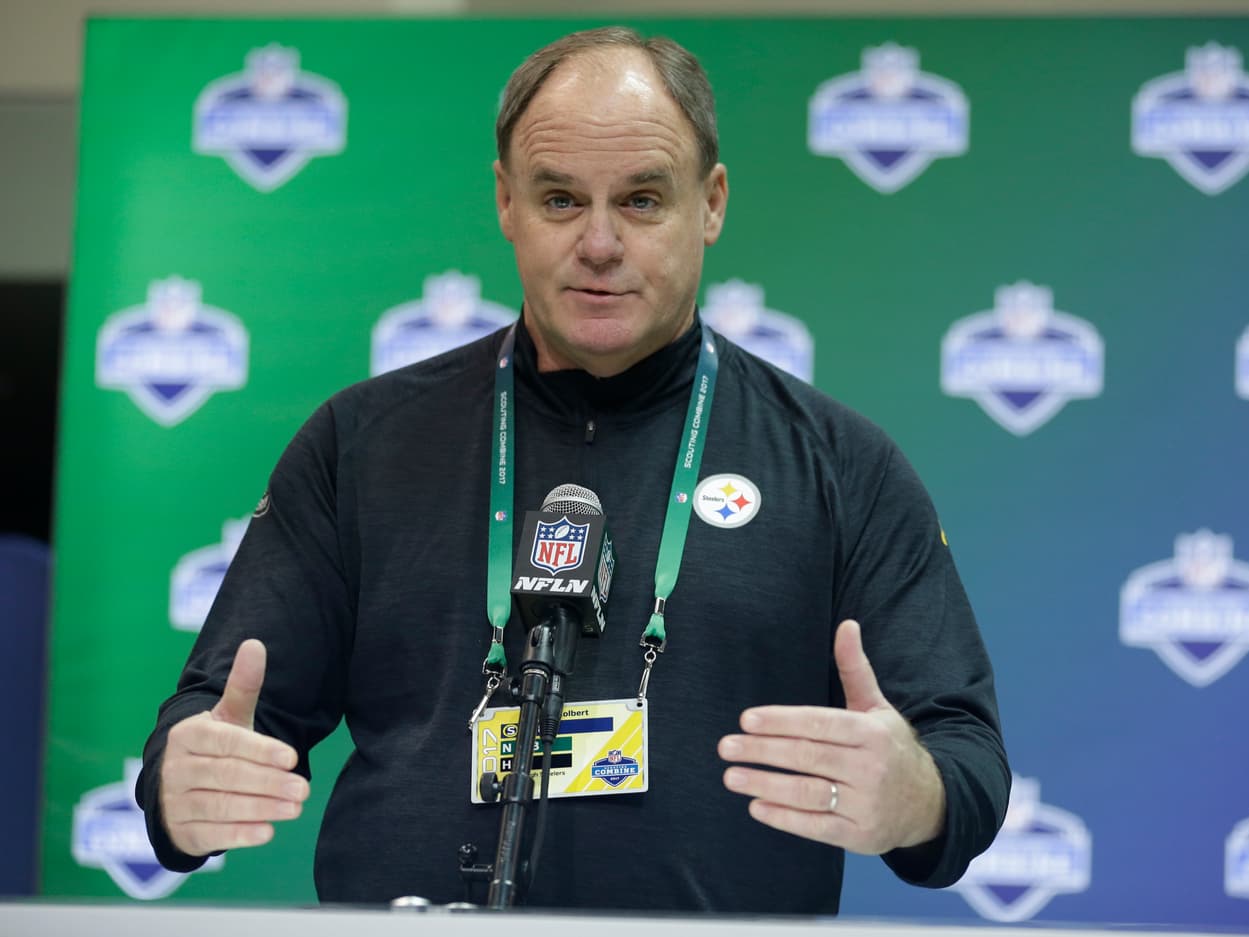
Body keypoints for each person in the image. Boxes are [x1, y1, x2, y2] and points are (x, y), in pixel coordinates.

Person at [138, 26, 1009, 913]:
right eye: (560, 200)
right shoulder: (361, 444)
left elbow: (964, 760)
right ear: (506, 203)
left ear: (710, 204)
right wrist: (184, 784)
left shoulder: (840, 466)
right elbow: (216, 720)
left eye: (640, 200)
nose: (599, 243)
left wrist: (916, 796)